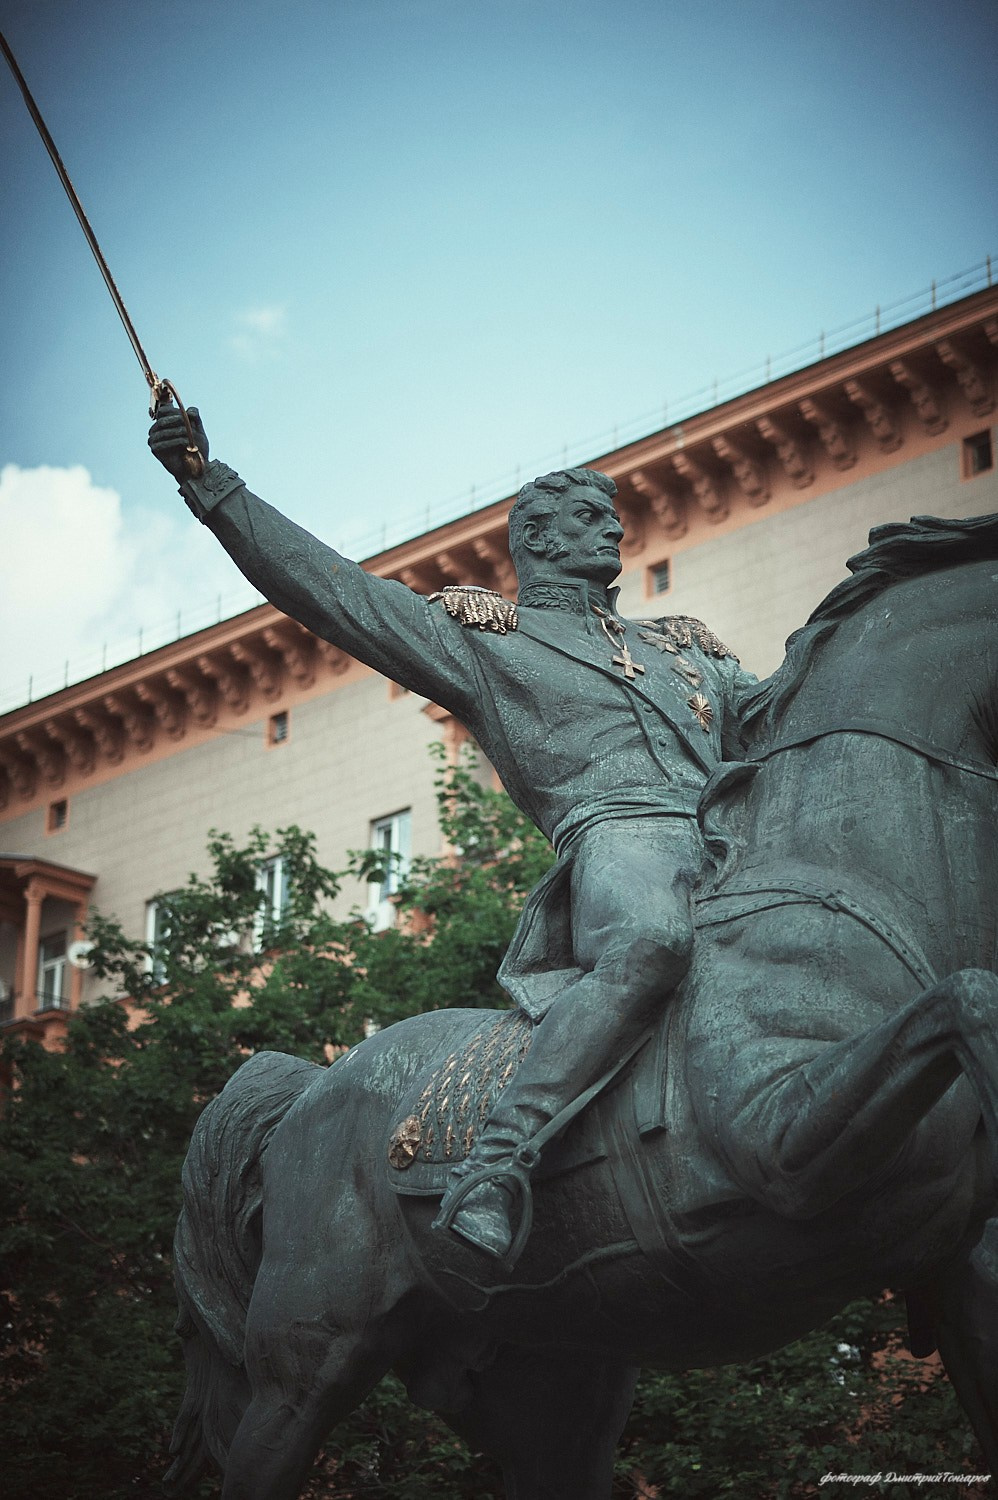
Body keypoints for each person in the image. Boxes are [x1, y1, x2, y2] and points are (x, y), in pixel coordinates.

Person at [149, 407, 756, 1261]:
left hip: (732, 836)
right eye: (589, 516)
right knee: (652, 942)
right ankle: (498, 1163)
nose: (615, 525)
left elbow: (787, 709)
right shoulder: (489, 640)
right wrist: (212, 488)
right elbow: (333, 591)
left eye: (612, 513)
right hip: (620, 838)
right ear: (537, 539)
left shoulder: (683, 648)